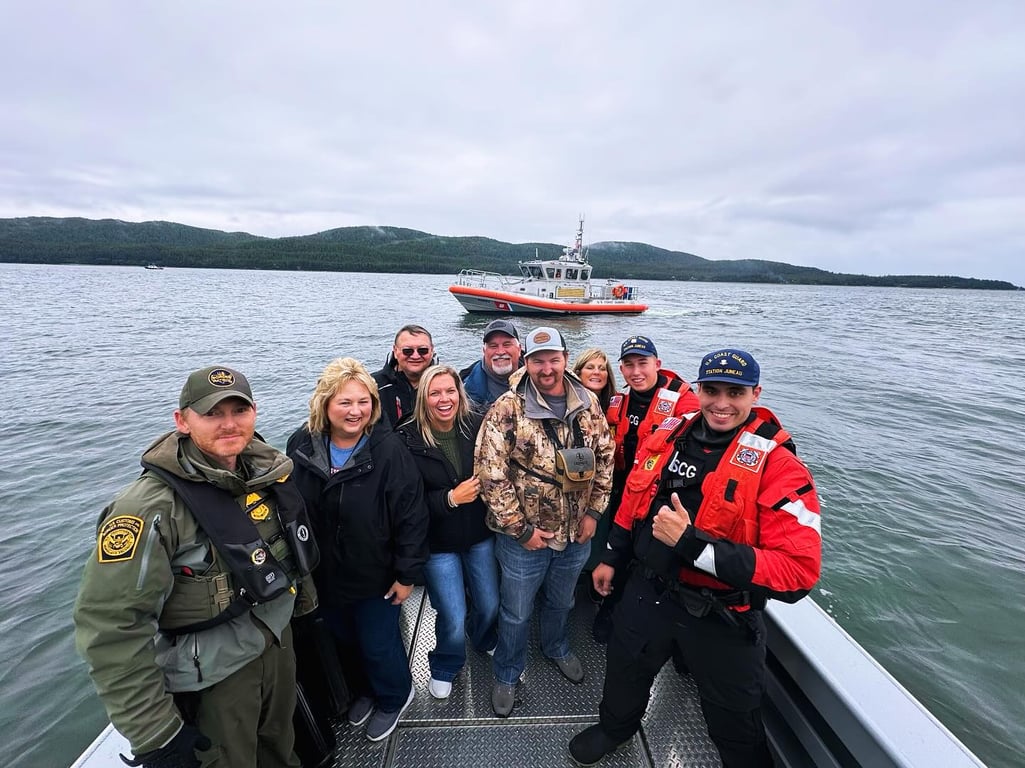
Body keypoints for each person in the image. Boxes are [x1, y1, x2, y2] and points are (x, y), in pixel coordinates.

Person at [569, 349, 822, 768]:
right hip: (648, 589)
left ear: (755, 394)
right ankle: (615, 729)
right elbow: (635, 494)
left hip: (721, 613)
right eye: (711, 390)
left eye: (734, 392)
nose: (721, 403)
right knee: (624, 669)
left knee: (733, 714)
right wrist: (612, 555)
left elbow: (797, 574)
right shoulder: (672, 431)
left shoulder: (781, 467)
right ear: (697, 389)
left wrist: (691, 543)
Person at [74, 366, 319, 768]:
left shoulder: (263, 473)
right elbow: (112, 626)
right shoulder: (148, 509)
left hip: (276, 647)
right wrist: (156, 735)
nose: (228, 424)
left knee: (280, 749)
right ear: (182, 420)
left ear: (255, 412)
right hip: (213, 678)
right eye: (212, 413)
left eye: (239, 411)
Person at [286, 357, 428, 742]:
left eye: (363, 401)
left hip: (375, 572)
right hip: (324, 572)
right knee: (343, 640)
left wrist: (406, 574)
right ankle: (364, 690)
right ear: (325, 404)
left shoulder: (387, 450)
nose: (355, 411)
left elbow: (411, 514)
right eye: (344, 402)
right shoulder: (302, 444)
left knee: (378, 643)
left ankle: (395, 695)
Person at [475, 326, 614, 717]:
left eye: (553, 358)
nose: (546, 367)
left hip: (576, 535)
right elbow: (491, 473)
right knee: (516, 611)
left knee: (562, 601)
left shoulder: (588, 403)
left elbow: (605, 458)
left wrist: (593, 513)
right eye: (538, 360)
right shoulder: (506, 407)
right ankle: (507, 671)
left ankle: (556, 647)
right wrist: (521, 529)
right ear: (527, 363)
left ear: (566, 359)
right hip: (525, 539)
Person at [396, 365, 500, 700]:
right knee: (452, 613)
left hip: (478, 535)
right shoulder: (407, 439)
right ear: (423, 398)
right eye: (435, 393)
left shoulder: (477, 424)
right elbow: (404, 502)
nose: (444, 399)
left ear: (460, 392)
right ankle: (445, 663)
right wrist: (449, 499)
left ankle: (483, 638)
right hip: (438, 543)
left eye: (450, 391)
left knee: (489, 604)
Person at [589, 335, 700, 643]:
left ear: (657, 364)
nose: (636, 371)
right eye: (628, 365)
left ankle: (642, 619)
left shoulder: (683, 400)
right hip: (621, 490)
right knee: (619, 550)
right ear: (621, 370)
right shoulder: (617, 401)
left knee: (648, 560)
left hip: (659, 497)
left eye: (643, 363)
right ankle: (610, 603)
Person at [373, 324, 436, 429]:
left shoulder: (445, 385)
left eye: (422, 350)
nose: (415, 356)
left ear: (432, 350)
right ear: (395, 351)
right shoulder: (374, 386)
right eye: (407, 351)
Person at [460, 318, 522, 410]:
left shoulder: (537, 377)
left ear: (519, 349)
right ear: (484, 351)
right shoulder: (466, 394)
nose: (500, 352)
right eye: (493, 346)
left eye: (507, 344)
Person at [572, 347, 617, 411]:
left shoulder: (618, 405)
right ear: (578, 373)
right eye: (590, 368)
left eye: (602, 369)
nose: (597, 372)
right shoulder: (566, 403)